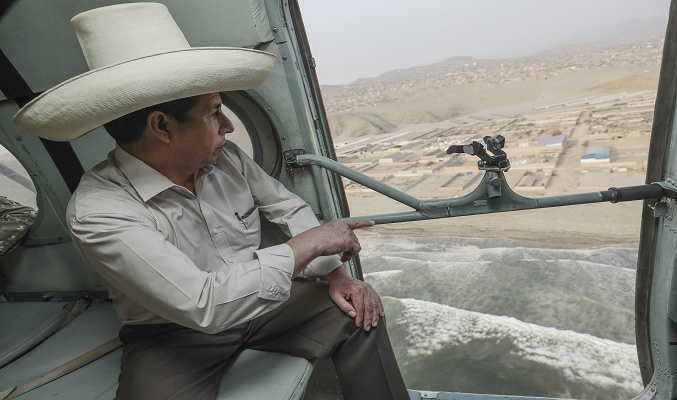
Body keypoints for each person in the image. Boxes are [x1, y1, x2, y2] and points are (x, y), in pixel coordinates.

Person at [12, 3, 410, 399]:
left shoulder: (227, 158)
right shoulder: (99, 212)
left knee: (361, 312)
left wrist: (337, 275)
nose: (228, 126)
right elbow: (205, 306)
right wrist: (312, 243)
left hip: (266, 302)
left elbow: (287, 208)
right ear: (162, 126)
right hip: (174, 331)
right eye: (214, 112)